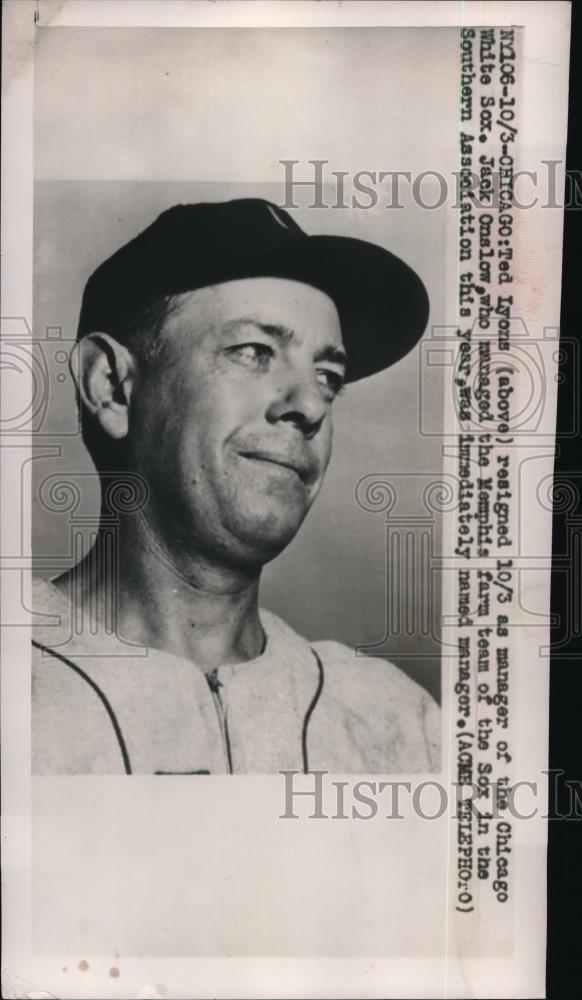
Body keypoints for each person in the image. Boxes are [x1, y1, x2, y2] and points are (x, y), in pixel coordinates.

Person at [32, 198, 439, 775]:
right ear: (113, 387)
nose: (309, 405)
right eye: (254, 352)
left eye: (329, 377)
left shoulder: (399, 724)